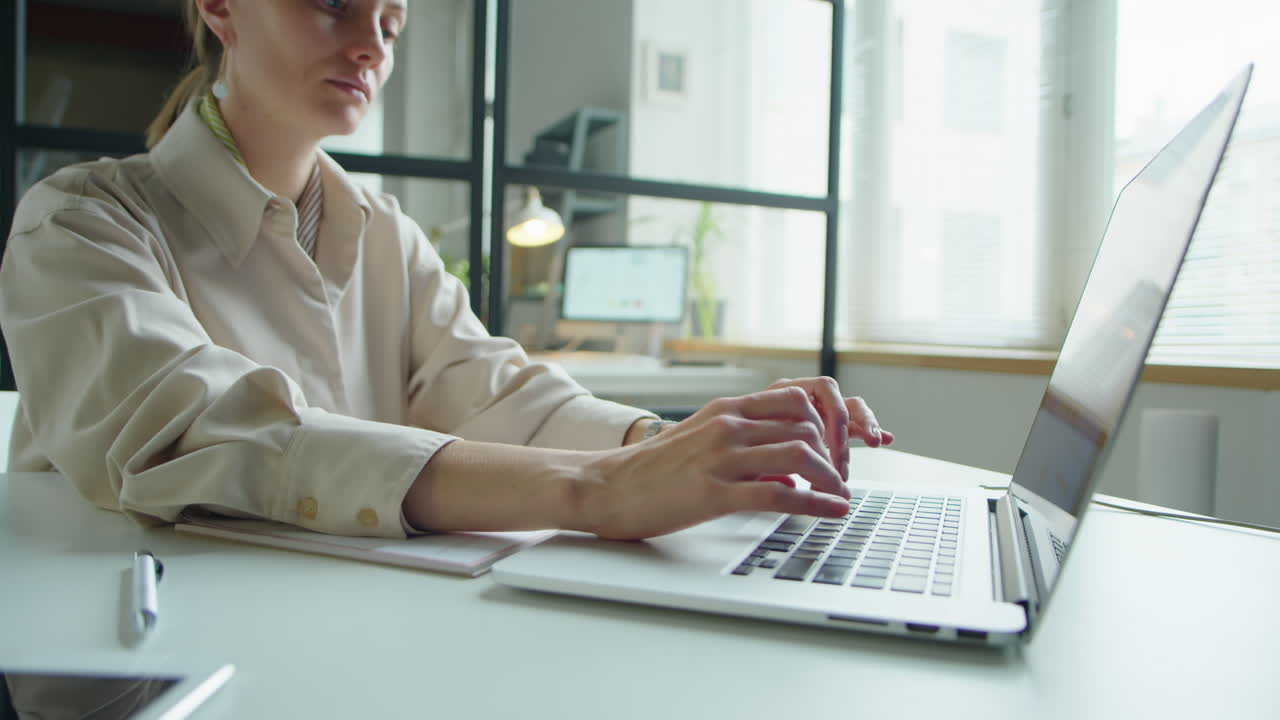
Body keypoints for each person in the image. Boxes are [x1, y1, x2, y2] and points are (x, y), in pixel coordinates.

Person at [0, 0, 893, 546]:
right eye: (335, 2)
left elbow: (494, 389)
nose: (370, 47)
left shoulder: (383, 232)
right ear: (220, 6)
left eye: (389, 22)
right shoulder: (81, 223)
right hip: (146, 663)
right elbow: (206, 434)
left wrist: (682, 441)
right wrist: (597, 491)